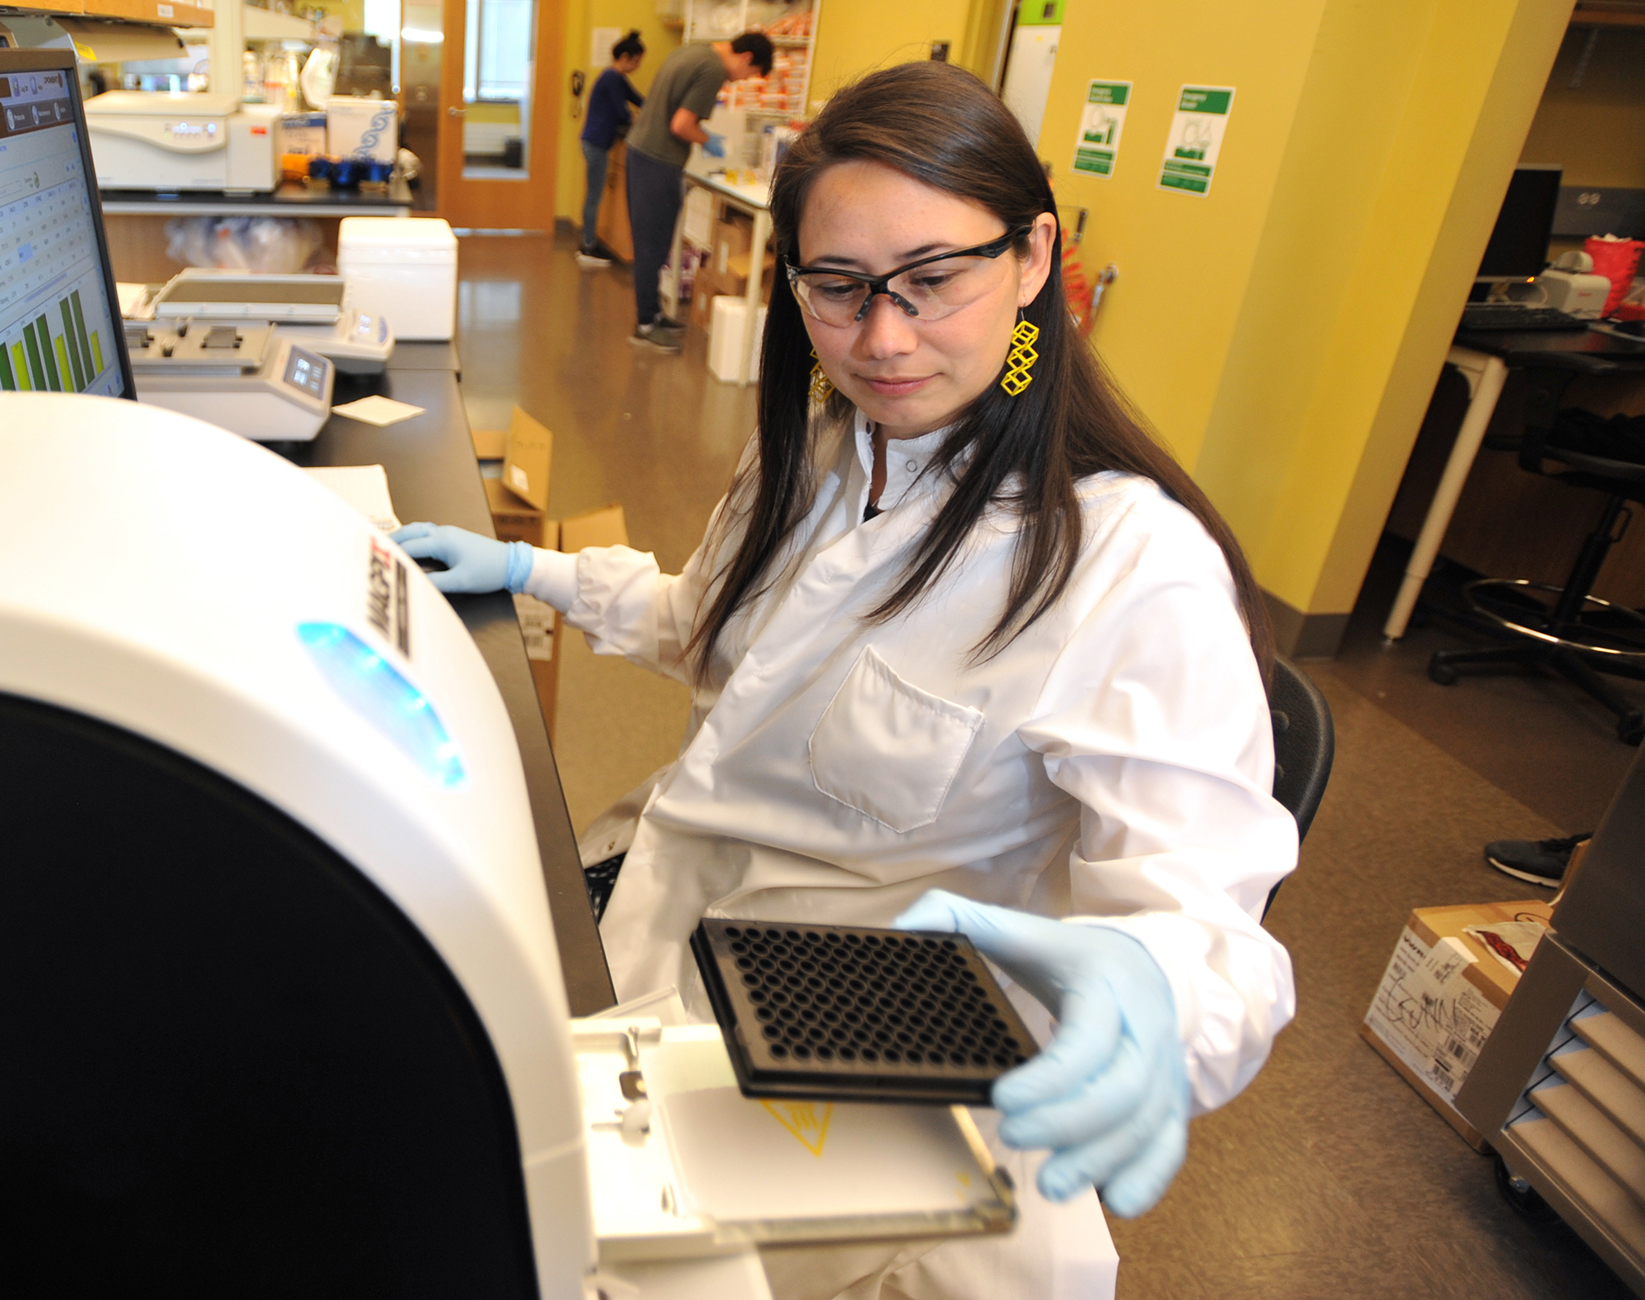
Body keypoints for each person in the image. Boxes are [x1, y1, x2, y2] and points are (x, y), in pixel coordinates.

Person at [392, 61, 1296, 1299]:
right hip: (666, 943)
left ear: (1033, 259)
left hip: (864, 1085)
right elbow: (707, 630)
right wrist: (529, 571)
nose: (883, 337)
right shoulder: (822, 454)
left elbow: (1206, 922)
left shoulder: (1132, 569)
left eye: (934, 280)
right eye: (839, 286)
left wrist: (1162, 980)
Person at [620, 31, 772, 352]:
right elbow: (681, 125)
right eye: (749, 75)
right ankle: (645, 325)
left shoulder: (693, 50)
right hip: (658, 160)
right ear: (746, 59)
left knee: (653, 242)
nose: (740, 82)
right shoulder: (713, 69)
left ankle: (655, 314)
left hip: (641, 151)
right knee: (652, 245)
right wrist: (708, 140)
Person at [577, 31, 645, 267]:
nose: (637, 67)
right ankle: (587, 247)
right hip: (595, 144)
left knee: (594, 195)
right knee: (594, 196)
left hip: (596, 142)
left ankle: (587, 242)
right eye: (636, 61)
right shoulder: (611, 78)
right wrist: (639, 118)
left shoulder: (616, 78)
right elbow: (622, 111)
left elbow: (637, 99)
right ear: (626, 57)